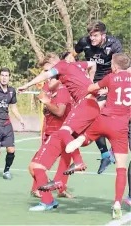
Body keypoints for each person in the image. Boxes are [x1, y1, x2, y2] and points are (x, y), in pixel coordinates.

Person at [53, 53, 130, 219]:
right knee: (121, 168)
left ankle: (81, 140)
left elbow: (89, 89)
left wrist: (102, 88)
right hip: (120, 127)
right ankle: (117, 202)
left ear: (115, 67)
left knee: (87, 135)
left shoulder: (110, 77)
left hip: (104, 119)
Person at [18, 52, 99, 173]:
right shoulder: (75, 65)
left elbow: (44, 77)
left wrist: (26, 85)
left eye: (47, 69)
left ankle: (78, 161)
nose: (48, 74)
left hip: (85, 103)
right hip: (92, 103)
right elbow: (93, 64)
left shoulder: (60, 65)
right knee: (72, 137)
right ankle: (63, 180)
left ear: (52, 63)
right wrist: (91, 82)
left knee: (64, 132)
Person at [71, 21, 122, 173]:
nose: (92, 38)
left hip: (107, 84)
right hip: (90, 84)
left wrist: (109, 87)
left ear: (103, 35)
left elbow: (119, 67)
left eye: (95, 36)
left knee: (108, 118)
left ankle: (110, 151)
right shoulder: (84, 42)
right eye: (91, 35)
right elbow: (71, 56)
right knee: (91, 119)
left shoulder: (114, 45)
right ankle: (106, 154)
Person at [31, 75, 74, 199]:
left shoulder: (63, 91)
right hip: (52, 132)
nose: (48, 81)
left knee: (65, 162)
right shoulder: (50, 89)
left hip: (62, 132)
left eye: (51, 78)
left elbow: (60, 111)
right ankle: (39, 188)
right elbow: (51, 109)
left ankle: (60, 189)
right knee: (37, 164)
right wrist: (47, 106)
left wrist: (47, 102)